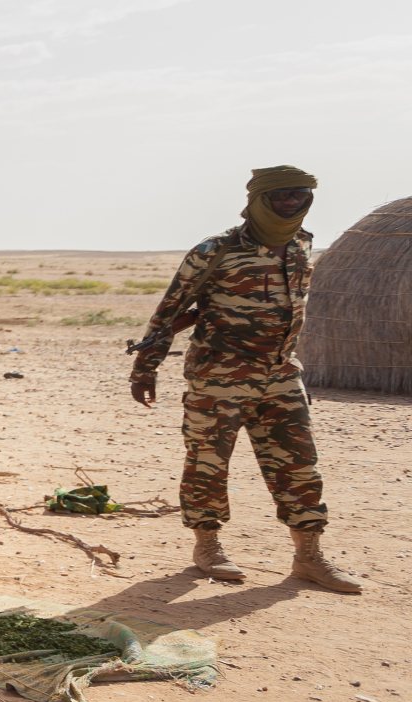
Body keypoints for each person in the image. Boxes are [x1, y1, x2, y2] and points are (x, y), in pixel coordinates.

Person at [129, 166, 361, 594]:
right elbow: (170, 311)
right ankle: (208, 547)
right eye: (281, 196)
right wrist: (146, 367)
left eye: (299, 195)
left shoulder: (302, 244)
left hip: (281, 373)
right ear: (257, 200)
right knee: (208, 463)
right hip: (219, 376)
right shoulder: (215, 250)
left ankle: (309, 557)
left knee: (299, 465)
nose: (291, 202)